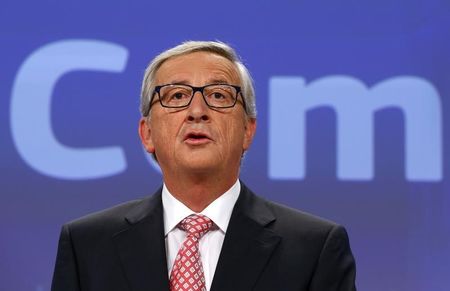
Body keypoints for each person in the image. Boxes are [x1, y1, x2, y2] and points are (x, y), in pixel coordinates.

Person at [51, 40, 356, 291]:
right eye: (177, 95)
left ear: (248, 130)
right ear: (147, 133)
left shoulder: (314, 249)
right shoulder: (87, 246)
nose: (197, 111)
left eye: (219, 95)